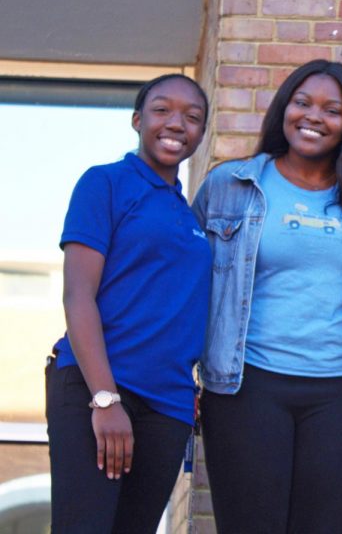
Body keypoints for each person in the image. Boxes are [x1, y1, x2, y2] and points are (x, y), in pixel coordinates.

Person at [193, 60, 342, 534]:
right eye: (303, 103)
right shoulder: (231, 186)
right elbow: (192, 284)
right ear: (284, 108)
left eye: (332, 110)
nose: (313, 117)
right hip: (247, 386)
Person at [46, 74, 212, 533]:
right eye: (162, 110)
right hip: (96, 388)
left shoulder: (189, 214)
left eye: (192, 117)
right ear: (138, 120)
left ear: (201, 133)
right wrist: (104, 399)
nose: (176, 123)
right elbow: (78, 294)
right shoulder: (106, 183)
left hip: (168, 405)